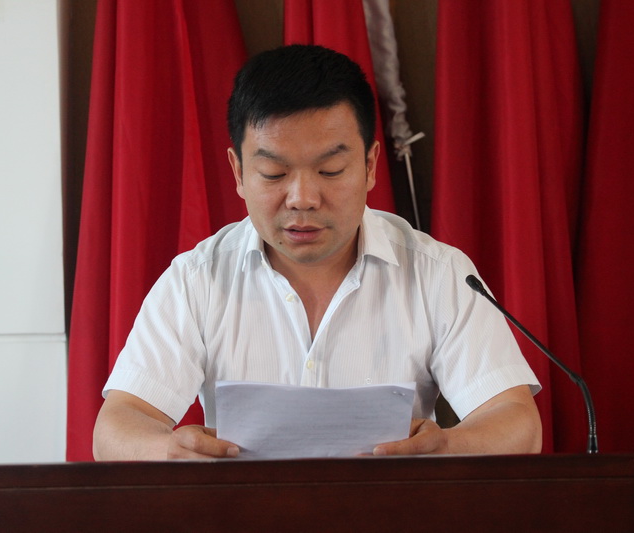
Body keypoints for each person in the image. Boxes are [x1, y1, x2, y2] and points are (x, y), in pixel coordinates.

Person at [93, 44, 542, 460]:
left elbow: (517, 422)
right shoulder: (197, 280)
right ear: (238, 172)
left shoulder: (438, 274)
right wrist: (167, 451)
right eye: (274, 174)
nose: (303, 199)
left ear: (369, 166)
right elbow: (117, 426)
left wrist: (447, 447)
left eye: (330, 170)